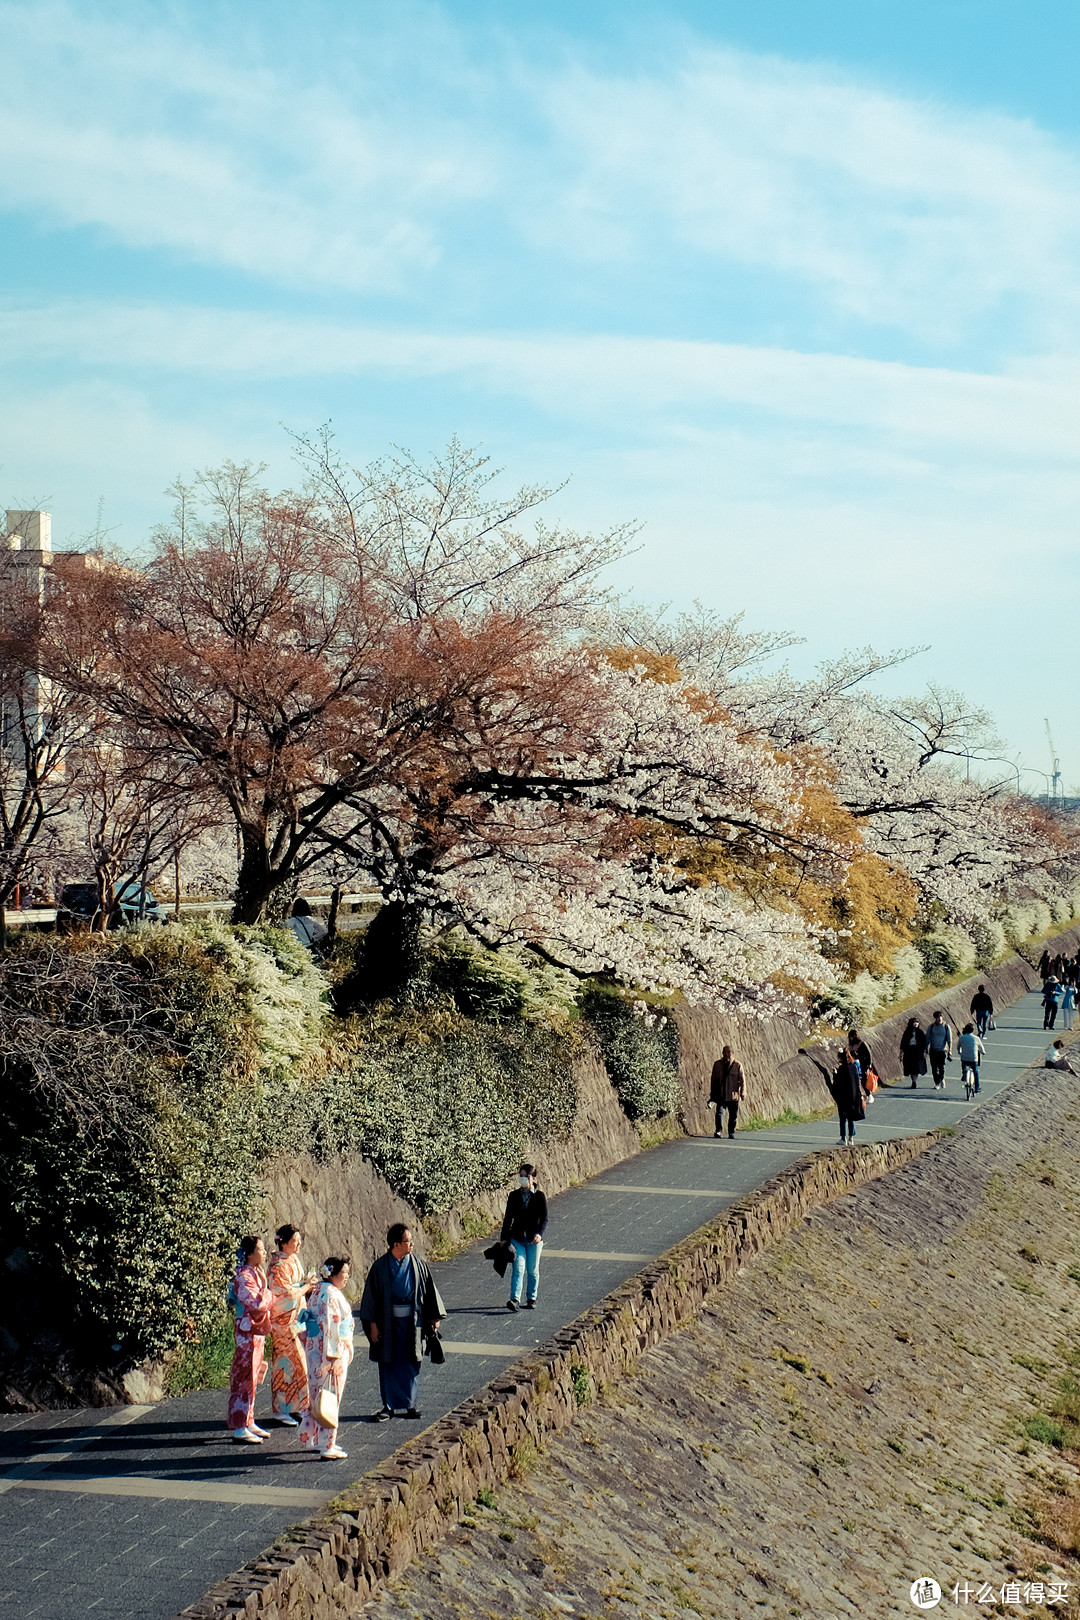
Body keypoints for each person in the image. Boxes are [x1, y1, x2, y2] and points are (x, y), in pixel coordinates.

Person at [360, 1224, 446, 1422]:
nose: (412, 1243)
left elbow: (430, 1290)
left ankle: (410, 1404)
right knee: (388, 1363)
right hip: (387, 1324)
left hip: (412, 1323)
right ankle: (388, 1406)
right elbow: (370, 1299)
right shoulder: (380, 1267)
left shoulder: (418, 1264)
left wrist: (434, 1318)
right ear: (396, 1244)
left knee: (411, 1362)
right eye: (408, 1240)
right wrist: (373, 1325)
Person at [297, 1255, 354, 1461]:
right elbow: (332, 1325)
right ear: (334, 1274)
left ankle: (314, 1438)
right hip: (329, 1352)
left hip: (314, 1349)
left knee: (317, 1396)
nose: (347, 1277)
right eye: (345, 1273)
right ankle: (327, 1444)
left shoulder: (318, 1290)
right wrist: (333, 1355)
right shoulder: (331, 1294)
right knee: (331, 1398)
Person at [268, 1223, 316, 1426]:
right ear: (284, 1243)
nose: (298, 1245)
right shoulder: (278, 1265)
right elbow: (285, 1293)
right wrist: (304, 1287)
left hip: (295, 1320)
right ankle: (281, 1409)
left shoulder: (291, 1259)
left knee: (299, 1365)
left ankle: (295, 1406)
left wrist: (307, 1283)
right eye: (294, 1241)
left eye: (299, 1241)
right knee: (284, 1365)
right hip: (283, 1321)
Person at [227, 1235, 273, 1444]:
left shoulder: (256, 1272)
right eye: (261, 1249)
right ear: (250, 1254)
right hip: (246, 1332)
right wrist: (269, 1296)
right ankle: (239, 1425)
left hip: (255, 1332)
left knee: (253, 1377)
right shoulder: (243, 1276)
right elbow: (257, 1303)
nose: (264, 1253)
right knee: (244, 1377)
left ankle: (249, 1419)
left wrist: (267, 1295)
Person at [501, 1163, 547, 1311]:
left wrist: (539, 1234)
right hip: (517, 1238)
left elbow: (545, 1217)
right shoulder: (514, 1196)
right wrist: (504, 1238)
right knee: (518, 1269)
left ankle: (531, 1298)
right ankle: (514, 1299)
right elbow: (508, 1218)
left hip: (533, 1240)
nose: (522, 1179)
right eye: (520, 1176)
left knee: (532, 1270)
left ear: (533, 1178)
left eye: (525, 1176)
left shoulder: (539, 1196)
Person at [830, 1039, 867, 1145]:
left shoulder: (841, 1069)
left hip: (843, 1097)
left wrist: (834, 1074)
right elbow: (857, 1081)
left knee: (843, 1118)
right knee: (851, 1117)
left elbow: (837, 1083)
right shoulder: (854, 1067)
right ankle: (851, 1138)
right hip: (853, 1096)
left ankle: (843, 1138)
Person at [709, 1045, 746, 1138]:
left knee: (733, 1115)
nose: (727, 1054)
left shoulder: (738, 1065)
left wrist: (743, 1093)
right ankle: (719, 1131)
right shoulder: (717, 1065)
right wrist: (713, 1093)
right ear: (722, 1053)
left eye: (729, 1052)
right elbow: (713, 1080)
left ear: (732, 1053)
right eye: (725, 1052)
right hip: (721, 1094)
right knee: (719, 1113)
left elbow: (742, 1080)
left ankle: (731, 1131)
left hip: (733, 1095)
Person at [926, 1011, 953, 1088]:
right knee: (934, 1068)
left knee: (942, 1067)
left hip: (942, 1050)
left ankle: (942, 1078)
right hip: (933, 1050)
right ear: (935, 1018)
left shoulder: (946, 1027)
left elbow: (949, 1039)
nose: (939, 1018)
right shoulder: (931, 1027)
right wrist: (926, 1049)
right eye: (937, 1017)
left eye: (940, 1016)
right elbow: (927, 1038)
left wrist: (949, 1050)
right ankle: (937, 1083)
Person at [957, 1023, 986, 1095]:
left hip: (964, 1058)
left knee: (964, 1065)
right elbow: (982, 1049)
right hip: (973, 1058)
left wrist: (959, 1052)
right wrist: (983, 1052)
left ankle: (964, 1072)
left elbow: (958, 1047)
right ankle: (977, 1088)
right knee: (975, 1072)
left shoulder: (962, 1037)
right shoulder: (976, 1038)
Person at [899, 1017, 927, 1089]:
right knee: (911, 1067)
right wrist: (901, 1052)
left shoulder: (920, 1032)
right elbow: (903, 1042)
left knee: (917, 1067)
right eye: (914, 1022)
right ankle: (913, 1081)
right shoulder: (907, 1032)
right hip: (909, 1051)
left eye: (917, 1022)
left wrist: (925, 1051)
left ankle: (914, 1081)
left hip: (918, 1051)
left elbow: (924, 1042)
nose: (916, 1024)